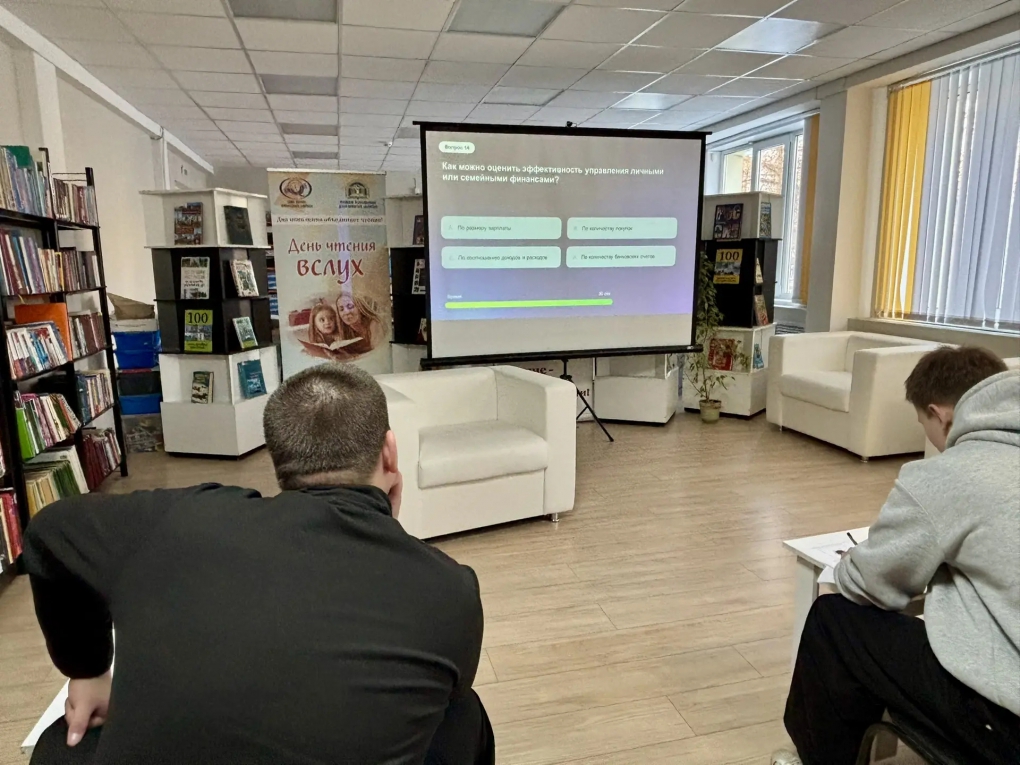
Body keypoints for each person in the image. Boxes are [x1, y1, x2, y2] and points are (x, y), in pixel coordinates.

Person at [24, 363, 494, 765]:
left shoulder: (173, 520)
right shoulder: (450, 588)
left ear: (279, 458)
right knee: (463, 713)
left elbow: (48, 531)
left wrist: (87, 669)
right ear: (389, 452)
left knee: (59, 745)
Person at [774, 346, 1020, 765]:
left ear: (939, 414)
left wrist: (851, 564)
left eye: (924, 425)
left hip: (1005, 724)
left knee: (833, 620)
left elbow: (872, 582)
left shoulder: (952, 473)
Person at [335, 293, 384, 357]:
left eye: (350, 306)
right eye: (341, 309)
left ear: (360, 307)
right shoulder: (344, 332)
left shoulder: (374, 324)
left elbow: (378, 353)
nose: (346, 312)